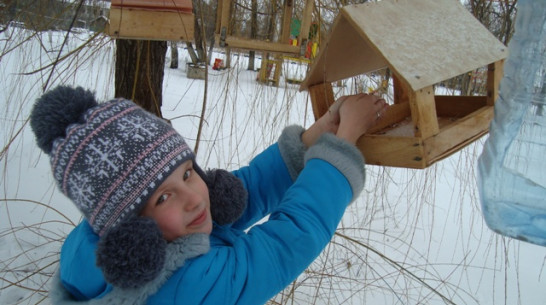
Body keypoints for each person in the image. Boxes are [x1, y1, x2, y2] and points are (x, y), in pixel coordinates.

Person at [30, 85, 388, 304]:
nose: (195, 198)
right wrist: (340, 146)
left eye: (188, 173)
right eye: (163, 197)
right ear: (129, 233)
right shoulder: (182, 289)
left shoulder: (112, 239)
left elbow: (241, 192)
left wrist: (317, 133)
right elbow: (285, 244)